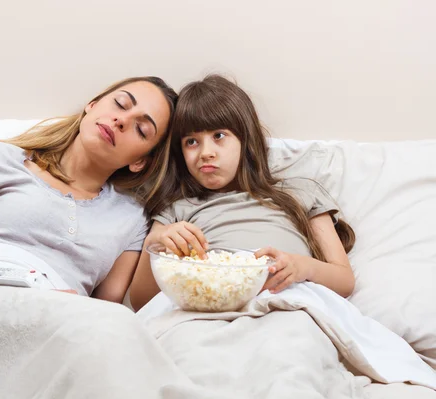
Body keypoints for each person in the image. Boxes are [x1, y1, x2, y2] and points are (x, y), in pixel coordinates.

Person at [0, 76, 178, 304]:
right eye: (120, 103)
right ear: (92, 105)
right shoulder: (1, 158)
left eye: (141, 129)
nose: (122, 120)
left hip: (50, 327)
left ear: (139, 161)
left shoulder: (130, 219)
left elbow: (105, 313)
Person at [130, 74, 356, 311]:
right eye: (191, 142)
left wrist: (303, 267)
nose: (206, 152)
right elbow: (141, 302)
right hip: (206, 309)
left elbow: (344, 282)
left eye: (219, 136)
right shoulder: (177, 209)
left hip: (286, 304)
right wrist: (154, 244)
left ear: (245, 140)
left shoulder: (299, 193)